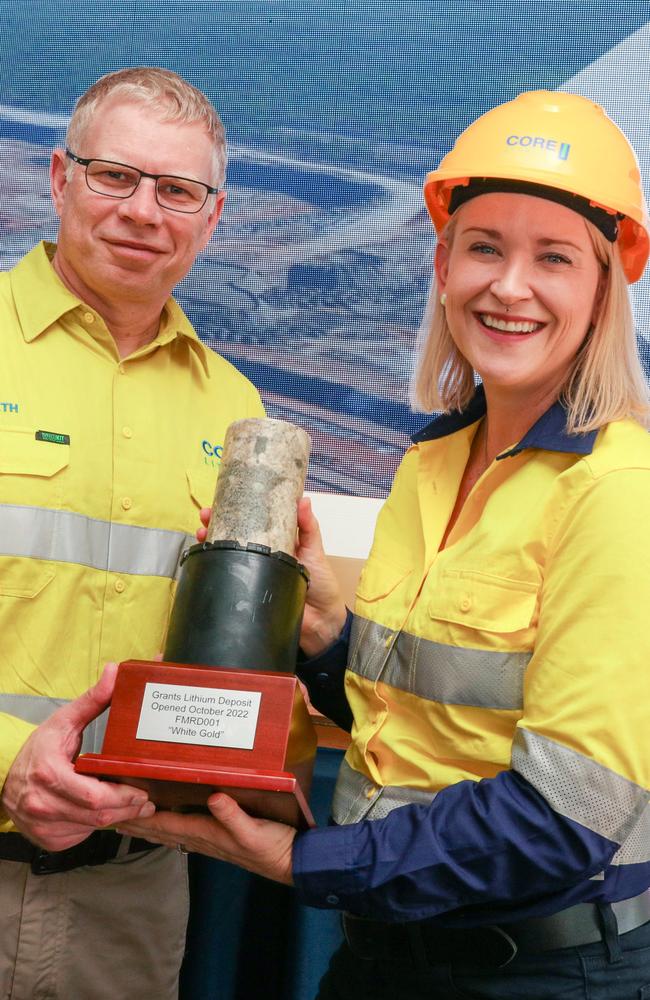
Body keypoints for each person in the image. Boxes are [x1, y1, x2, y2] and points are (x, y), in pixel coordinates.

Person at [119, 91, 650, 999]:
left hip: (546, 972)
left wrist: (305, 861)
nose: (508, 286)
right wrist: (328, 638)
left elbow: (564, 818)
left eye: (553, 258)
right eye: (484, 247)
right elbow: (417, 712)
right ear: (443, 266)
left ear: (605, 286)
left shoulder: (618, 494)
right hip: (383, 957)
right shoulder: (433, 462)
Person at [0, 67, 264, 999]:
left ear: (213, 216)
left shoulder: (235, 411)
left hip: (134, 895)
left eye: (177, 190)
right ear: (59, 177)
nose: (144, 212)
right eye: (115, 176)